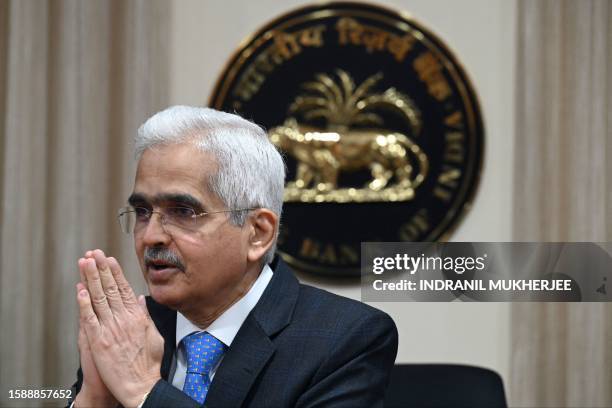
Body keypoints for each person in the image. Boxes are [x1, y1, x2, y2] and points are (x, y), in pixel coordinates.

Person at [69, 106, 398, 407]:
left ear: (258, 233)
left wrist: (145, 390)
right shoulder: (132, 330)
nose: (151, 235)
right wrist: (95, 399)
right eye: (142, 211)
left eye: (183, 211)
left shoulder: (345, 338)